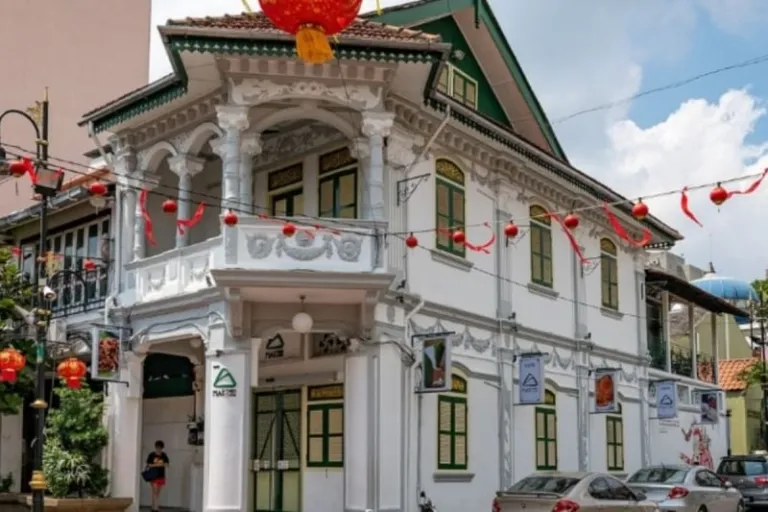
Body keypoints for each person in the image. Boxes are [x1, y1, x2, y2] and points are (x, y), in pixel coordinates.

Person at [145, 440, 169, 512]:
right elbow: (148, 464)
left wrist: (156, 465)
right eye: (157, 447)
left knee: (157, 493)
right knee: (155, 491)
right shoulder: (151, 455)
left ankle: (153, 507)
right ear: (155, 447)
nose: (158, 449)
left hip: (161, 476)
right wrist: (159, 464)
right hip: (153, 475)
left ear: (162, 448)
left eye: (160, 448)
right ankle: (156, 508)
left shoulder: (164, 455)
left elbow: (167, 464)